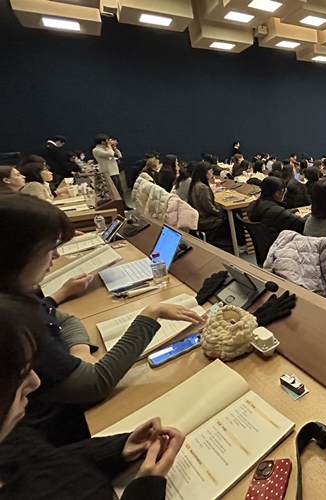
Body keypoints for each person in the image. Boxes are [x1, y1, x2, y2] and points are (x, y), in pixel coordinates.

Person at [0, 195, 202, 446]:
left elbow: (68, 320)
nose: (55, 256)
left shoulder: (19, 297)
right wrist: (150, 315)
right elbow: (96, 383)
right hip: (58, 434)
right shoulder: (11, 323)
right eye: (48, 248)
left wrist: (79, 353)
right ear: (17, 253)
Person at [0, 293, 187, 500]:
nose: (35, 382)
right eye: (20, 374)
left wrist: (116, 450)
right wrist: (146, 487)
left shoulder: (13, 434)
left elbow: (42, 461)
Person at [188, 162, 243, 250]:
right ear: (204, 173)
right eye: (210, 171)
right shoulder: (202, 188)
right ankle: (238, 244)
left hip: (200, 217)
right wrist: (221, 212)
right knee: (233, 216)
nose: (212, 173)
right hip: (206, 220)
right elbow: (209, 208)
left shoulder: (195, 184)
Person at [247, 177, 306, 251]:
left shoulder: (254, 205)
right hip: (281, 246)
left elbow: (280, 215)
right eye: (284, 191)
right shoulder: (277, 212)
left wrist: (294, 211)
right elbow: (304, 224)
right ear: (277, 193)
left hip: (267, 245)